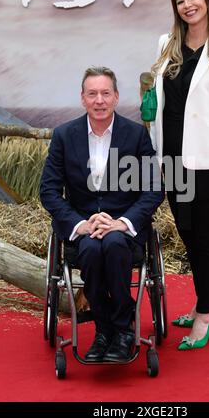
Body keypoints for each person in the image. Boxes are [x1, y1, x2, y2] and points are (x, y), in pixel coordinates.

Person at [40, 66, 164, 362]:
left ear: (116, 97)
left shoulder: (135, 136)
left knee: (112, 244)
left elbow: (154, 189)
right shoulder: (64, 136)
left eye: (105, 93)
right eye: (92, 94)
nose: (99, 100)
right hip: (82, 229)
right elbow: (49, 191)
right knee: (94, 250)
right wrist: (80, 224)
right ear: (82, 98)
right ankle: (106, 328)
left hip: (124, 229)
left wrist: (123, 222)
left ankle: (119, 329)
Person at [150, 0, 209, 349]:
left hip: (206, 160)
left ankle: (205, 315)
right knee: (186, 233)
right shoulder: (165, 44)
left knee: (208, 239)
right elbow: (161, 99)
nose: (187, 4)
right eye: (180, 0)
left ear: (207, 0)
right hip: (170, 157)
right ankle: (207, 296)